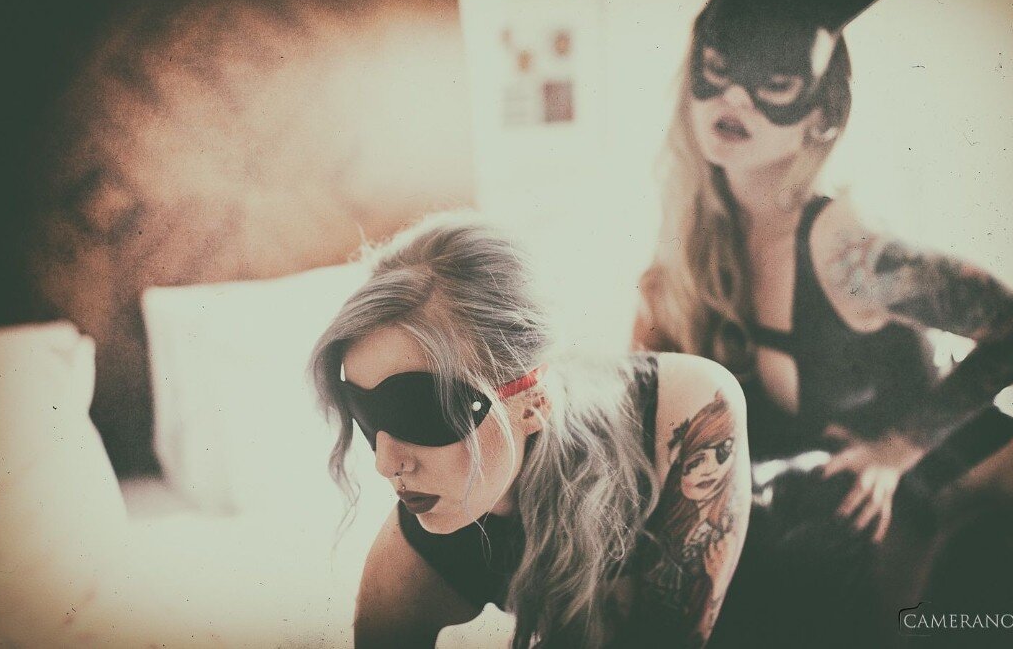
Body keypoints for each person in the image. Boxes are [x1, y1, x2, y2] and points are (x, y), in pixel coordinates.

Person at [633, 0, 1013, 646]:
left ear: (822, 116)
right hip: (902, 523)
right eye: (718, 68)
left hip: (996, 510)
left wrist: (897, 448)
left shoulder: (843, 248)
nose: (735, 98)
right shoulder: (701, 234)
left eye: (775, 79)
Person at [310, 212, 751, 648]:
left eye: (421, 414)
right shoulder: (412, 556)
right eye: (364, 414)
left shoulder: (687, 409)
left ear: (533, 403)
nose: (386, 464)